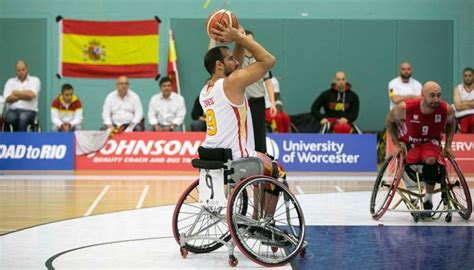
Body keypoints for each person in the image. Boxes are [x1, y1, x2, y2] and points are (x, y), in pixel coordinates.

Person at [201, 21, 287, 222]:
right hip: (238, 159)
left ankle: (258, 217)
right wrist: (241, 38)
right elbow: (268, 60)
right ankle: (264, 221)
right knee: (277, 171)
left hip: (213, 157)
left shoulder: (206, 90)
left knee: (262, 165)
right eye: (231, 59)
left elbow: (234, 67)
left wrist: (237, 40)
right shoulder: (232, 83)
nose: (237, 62)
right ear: (220, 65)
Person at [386, 81, 456, 214]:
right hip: (410, 142)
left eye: (438, 95)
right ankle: (413, 193)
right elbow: (389, 121)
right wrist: (395, 144)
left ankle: (428, 199)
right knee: (404, 161)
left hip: (431, 142)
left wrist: (448, 146)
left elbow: (452, 123)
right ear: (422, 95)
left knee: (431, 160)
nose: (436, 99)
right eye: (432, 95)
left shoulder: (446, 109)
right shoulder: (405, 108)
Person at [240, 30, 277, 152]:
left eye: (251, 40)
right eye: (246, 39)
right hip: (242, 102)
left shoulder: (261, 60)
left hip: (257, 101)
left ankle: (262, 159)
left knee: (259, 131)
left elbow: (268, 82)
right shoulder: (237, 60)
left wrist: (273, 103)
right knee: (242, 131)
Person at [2, 60, 41, 131]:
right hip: (13, 111)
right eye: (18, 70)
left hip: (29, 111)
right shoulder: (10, 82)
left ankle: (21, 140)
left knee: (23, 117)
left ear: (27, 69)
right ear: (16, 71)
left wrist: (15, 93)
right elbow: (7, 98)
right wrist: (24, 95)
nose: (21, 72)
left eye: (23, 69)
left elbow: (31, 95)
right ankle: (10, 140)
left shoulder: (35, 80)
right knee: (9, 118)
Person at [453, 67, 474, 133]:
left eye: (470, 76)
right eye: (465, 76)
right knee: (464, 130)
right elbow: (458, 106)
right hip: (462, 117)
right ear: (463, 77)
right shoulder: (457, 89)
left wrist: (464, 102)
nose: (467, 78)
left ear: (473, 76)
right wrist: (471, 102)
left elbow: (460, 105)